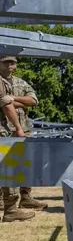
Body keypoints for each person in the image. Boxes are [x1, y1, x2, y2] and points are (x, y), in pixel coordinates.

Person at [0, 56, 41, 222]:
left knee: (23, 165)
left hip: (22, 129)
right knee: (8, 167)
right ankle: (9, 207)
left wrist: (14, 99)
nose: (10, 65)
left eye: (13, 62)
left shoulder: (20, 82)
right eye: (6, 62)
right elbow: (5, 104)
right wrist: (13, 104)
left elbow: (33, 100)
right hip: (5, 130)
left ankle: (25, 198)